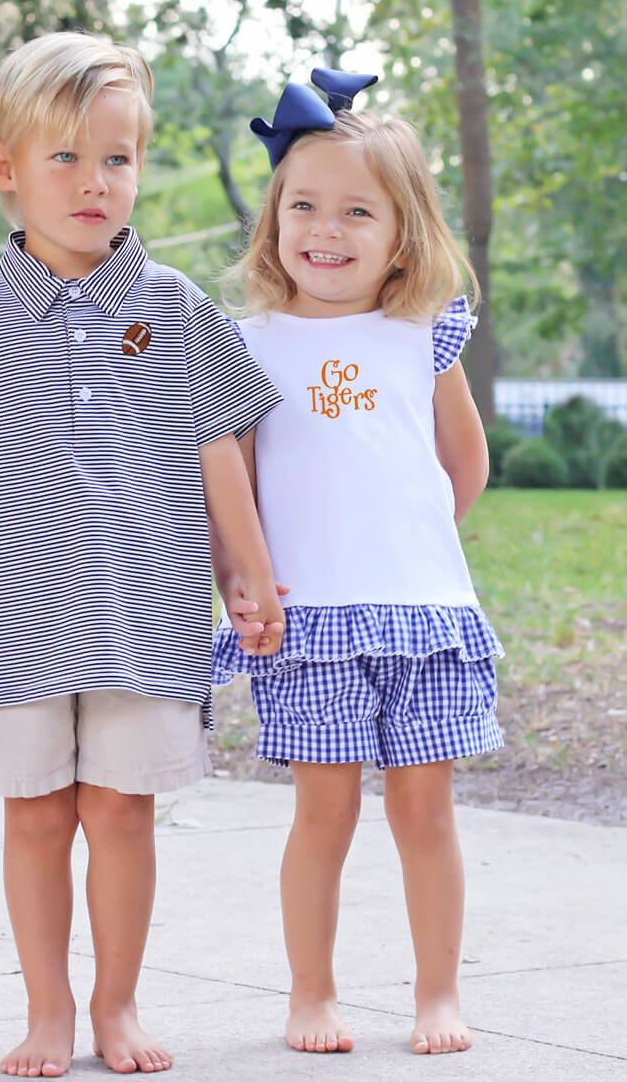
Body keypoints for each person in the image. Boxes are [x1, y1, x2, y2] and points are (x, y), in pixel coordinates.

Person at [0, 31, 284, 1078]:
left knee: (121, 813)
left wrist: (245, 570)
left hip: (146, 614)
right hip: (17, 620)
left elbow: (220, 450)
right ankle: (47, 1009)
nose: (94, 182)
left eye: (117, 158)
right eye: (64, 158)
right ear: (5, 170)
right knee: (37, 815)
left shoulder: (178, 307)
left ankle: (116, 1003)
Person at [213, 68, 504, 1058]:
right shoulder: (246, 343)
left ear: (401, 234)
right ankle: (311, 993)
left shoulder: (422, 335)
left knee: (426, 811)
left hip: (421, 612)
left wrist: (408, 534)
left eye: (354, 213)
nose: (324, 231)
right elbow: (233, 488)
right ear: (274, 217)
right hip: (308, 623)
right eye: (304, 206)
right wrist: (244, 582)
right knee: (322, 815)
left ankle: (437, 993)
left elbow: (462, 465)